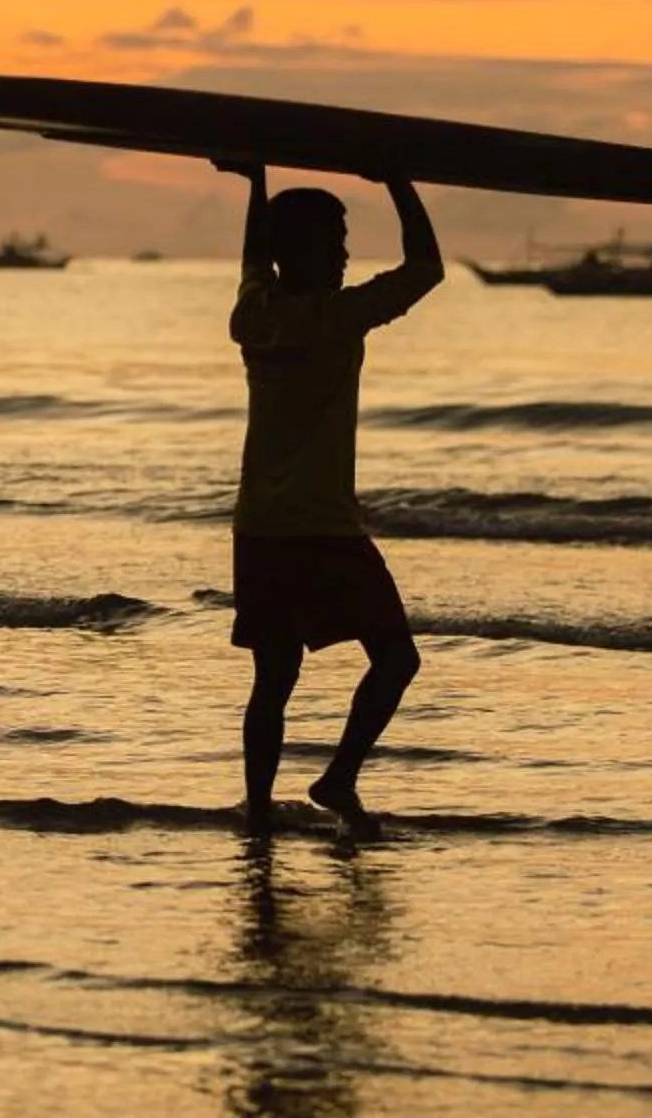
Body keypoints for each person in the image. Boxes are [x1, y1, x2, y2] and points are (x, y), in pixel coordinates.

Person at [220, 162, 441, 840]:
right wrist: (399, 176)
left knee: (274, 678)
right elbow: (426, 267)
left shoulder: (252, 316)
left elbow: (255, 256)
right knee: (397, 659)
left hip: (261, 528)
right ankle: (338, 776)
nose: (345, 254)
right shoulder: (340, 316)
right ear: (304, 249)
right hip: (322, 529)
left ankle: (259, 813)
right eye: (335, 240)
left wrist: (254, 179)